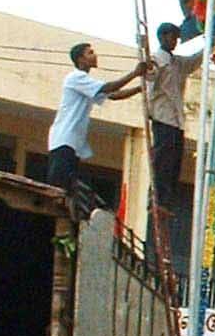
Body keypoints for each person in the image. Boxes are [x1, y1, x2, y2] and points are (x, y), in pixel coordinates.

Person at [44, 42, 147, 195]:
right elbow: (108, 88)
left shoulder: (86, 83)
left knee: (67, 189)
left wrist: (139, 89)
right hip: (64, 139)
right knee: (58, 189)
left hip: (71, 142)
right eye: (90, 53)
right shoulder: (76, 77)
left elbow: (114, 95)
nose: (95, 55)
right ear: (81, 59)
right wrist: (134, 74)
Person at [144, 22, 203, 211]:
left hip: (176, 120)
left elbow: (193, 61)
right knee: (162, 160)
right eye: (172, 37)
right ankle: (156, 197)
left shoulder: (176, 62)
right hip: (163, 117)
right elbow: (149, 80)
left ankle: (167, 200)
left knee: (174, 162)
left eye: (177, 38)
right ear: (162, 37)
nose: (175, 41)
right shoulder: (156, 60)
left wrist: (211, 43)